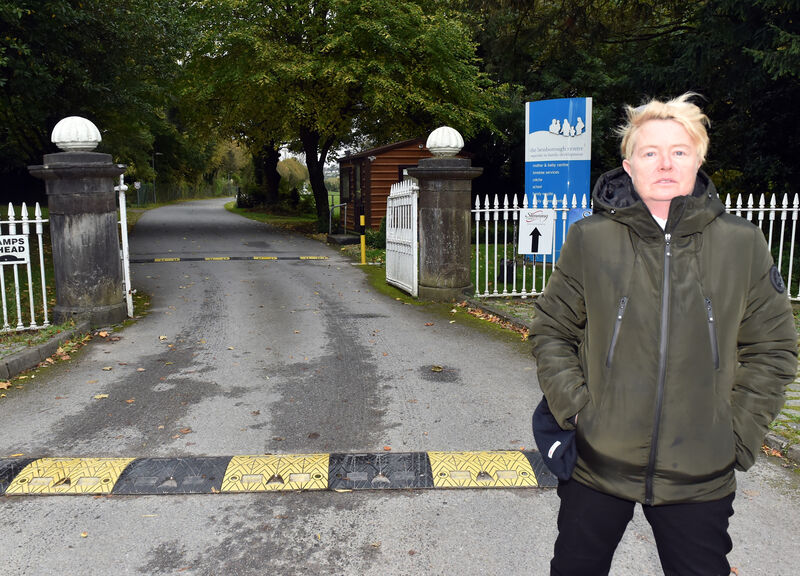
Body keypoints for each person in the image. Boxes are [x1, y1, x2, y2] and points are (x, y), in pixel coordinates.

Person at [531, 93, 798, 576]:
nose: (665, 163)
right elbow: (552, 330)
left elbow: (773, 348)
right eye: (650, 152)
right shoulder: (591, 238)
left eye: (679, 151)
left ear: (699, 158)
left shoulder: (743, 244)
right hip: (598, 467)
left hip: (700, 476)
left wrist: (737, 434)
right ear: (629, 165)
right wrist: (579, 410)